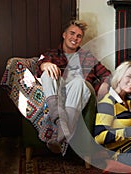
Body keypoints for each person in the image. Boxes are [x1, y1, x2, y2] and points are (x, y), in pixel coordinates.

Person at [37, 20, 111, 154]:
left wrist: (105, 84)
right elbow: (40, 67)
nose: (75, 38)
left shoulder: (87, 57)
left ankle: (62, 128)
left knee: (79, 81)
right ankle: (61, 125)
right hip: (59, 91)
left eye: (79, 36)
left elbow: (107, 74)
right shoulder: (53, 54)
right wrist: (45, 65)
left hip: (80, 91)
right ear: (64, 35)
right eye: (72, 33)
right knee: (47, 74)